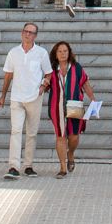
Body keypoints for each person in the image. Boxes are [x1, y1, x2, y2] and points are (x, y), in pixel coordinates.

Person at [0, 21, 52, 180]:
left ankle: (28, 165)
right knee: (16, 131)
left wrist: (43, 85)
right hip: (17, 97)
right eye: (26, 31)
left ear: (35, 36)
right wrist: (3, 96)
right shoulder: (13, 52)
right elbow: (8, 75)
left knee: (32, 133)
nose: (28, 34)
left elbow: (48, 73)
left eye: (31, 32)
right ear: (22, 33)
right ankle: (13, 166)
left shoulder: (41, 53)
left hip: (35, 97)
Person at [44, 40, 94, 178]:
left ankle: (70, 153)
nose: (63, 53)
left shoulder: (77, 68)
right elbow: (45, 86)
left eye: (65, 51)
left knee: (74, 136)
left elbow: (85, 84)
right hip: (56, 107)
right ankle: (62, 167)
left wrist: (93, 99)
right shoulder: (51, 69)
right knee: (60, 136)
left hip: (75, 105)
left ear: (69, 52)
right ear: (55, 54)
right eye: (59, 51)